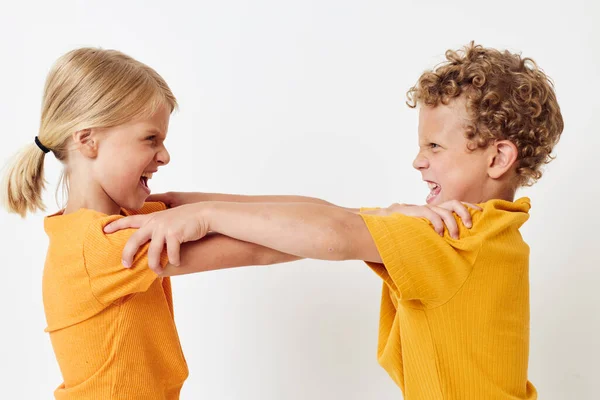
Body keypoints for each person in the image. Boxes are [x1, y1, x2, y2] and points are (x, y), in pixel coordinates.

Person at [0, 47, 468, 399]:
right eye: (149, 139)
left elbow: (264, 211)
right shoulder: (106, 244)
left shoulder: (133, 221)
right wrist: (388, 231)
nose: (164, 155)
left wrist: (381, 215)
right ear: (88, 140)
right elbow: (265, 244)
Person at [106, 42, 564, 399]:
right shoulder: (493, 232)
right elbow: (332, 213)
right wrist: (185, 204)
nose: (418, 162)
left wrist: (204, 215)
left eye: (434, 147)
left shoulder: (455, 237)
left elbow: (332, 233)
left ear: (498, 156)